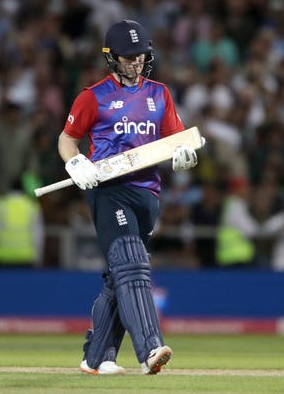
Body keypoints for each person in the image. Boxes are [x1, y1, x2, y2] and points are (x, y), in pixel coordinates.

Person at [57, 19, 200, 375]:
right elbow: (67, 138)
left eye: (141, 57)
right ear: (111, 57)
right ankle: (150, 349)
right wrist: (75, 161)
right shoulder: (93, 96)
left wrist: (184, 154)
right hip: (108, 191)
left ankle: (97, 358)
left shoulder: (159, 94)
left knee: (117, 276)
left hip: (147, 193)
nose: (136, 63)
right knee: (133, 264)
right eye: (129, 58)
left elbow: (177, 139)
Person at [0, 177, 44, 268]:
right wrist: (39, 256)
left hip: (3, 257)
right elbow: (37, 234)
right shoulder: (32, 206)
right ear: (23, 189)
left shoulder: (0, 204)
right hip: (26, 257)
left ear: (10, 188)